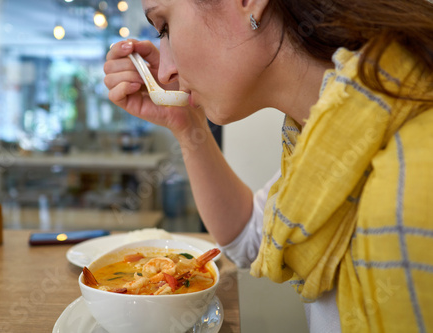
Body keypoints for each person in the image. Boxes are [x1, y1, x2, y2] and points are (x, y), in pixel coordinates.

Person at [104, 0, 433, 332]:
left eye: (165, 27)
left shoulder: (410, 179)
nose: (164, 72)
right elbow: (249, 238)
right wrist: (188, 125)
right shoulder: (332, 133)